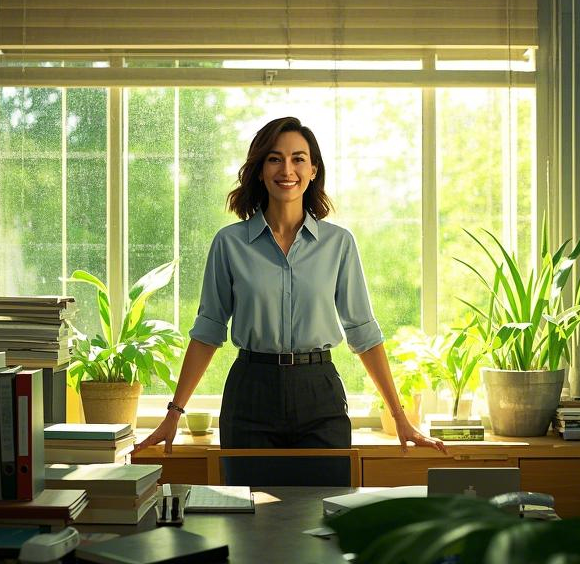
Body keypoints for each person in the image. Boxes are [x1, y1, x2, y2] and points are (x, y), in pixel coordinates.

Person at [135, 116, 446, 456]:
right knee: (247, 506)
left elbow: (363, 333)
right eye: (274, 159)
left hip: (320, 394)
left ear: (313, 170)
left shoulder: (338, 244)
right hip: (250, 393)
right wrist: (173, 414)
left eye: (298, 159)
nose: (287, 170)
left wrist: (399, 417)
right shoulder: (229, 243)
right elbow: (208, 331)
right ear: (260, 170)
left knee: (324, 507)